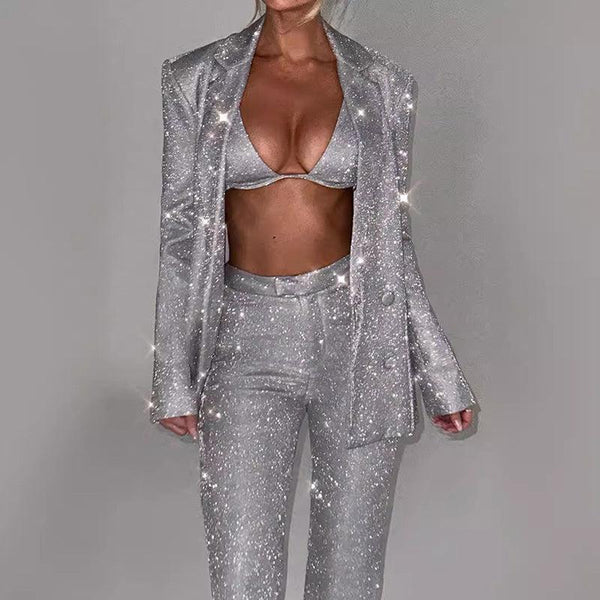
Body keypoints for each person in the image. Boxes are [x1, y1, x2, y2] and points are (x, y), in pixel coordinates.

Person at [149, 1, 480, 598]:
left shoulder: (382, 83)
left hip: (360, 340)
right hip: (242, 341)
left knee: (348, 576)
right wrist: (173, 374)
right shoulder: (194, 77)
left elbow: (390, 241)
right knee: (241, 577)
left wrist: (439, 374)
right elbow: (179, 233)